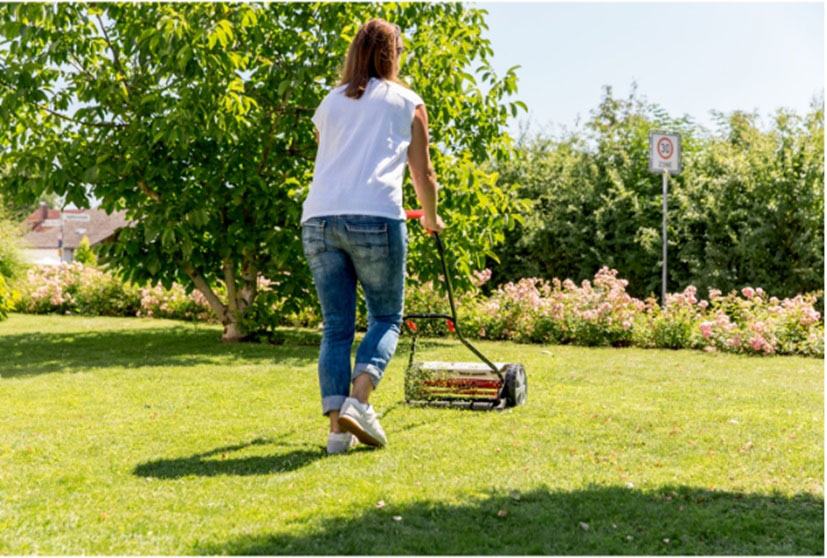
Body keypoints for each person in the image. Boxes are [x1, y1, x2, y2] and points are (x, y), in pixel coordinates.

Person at [301, 18, 444, 454]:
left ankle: (337, 435)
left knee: (336, 328)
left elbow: (333, 159)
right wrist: (431, 217)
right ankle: (359, 402)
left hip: (318, 219)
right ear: (392, 54)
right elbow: (423, 173)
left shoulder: (329, 103)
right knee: (385, 317)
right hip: (376, 216)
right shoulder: (407, 102)